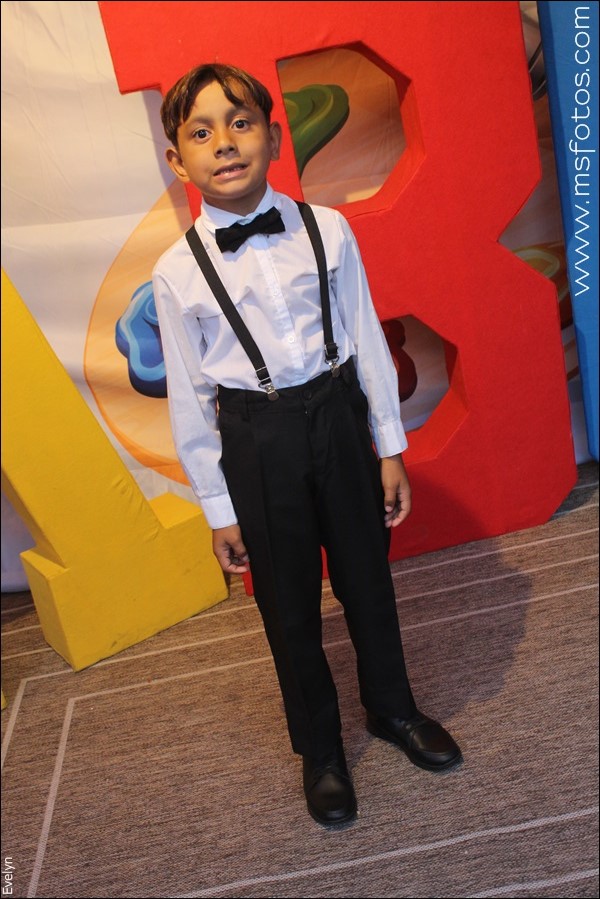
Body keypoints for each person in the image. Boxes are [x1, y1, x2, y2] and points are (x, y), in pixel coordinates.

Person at [152, 63, 462, 827]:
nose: (225, 144)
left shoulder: (329, 229)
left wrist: (388, 446)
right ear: (178, 161)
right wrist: (218, 508)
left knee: (367, 578)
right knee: (288, 604)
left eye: (240, 123)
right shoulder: (176, 271)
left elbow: (364, 337)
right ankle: (320, 748)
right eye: (201, 133)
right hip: (256, 437)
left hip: (336, 415)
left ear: (274, 136)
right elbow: (191, 400)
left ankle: (392, 707)